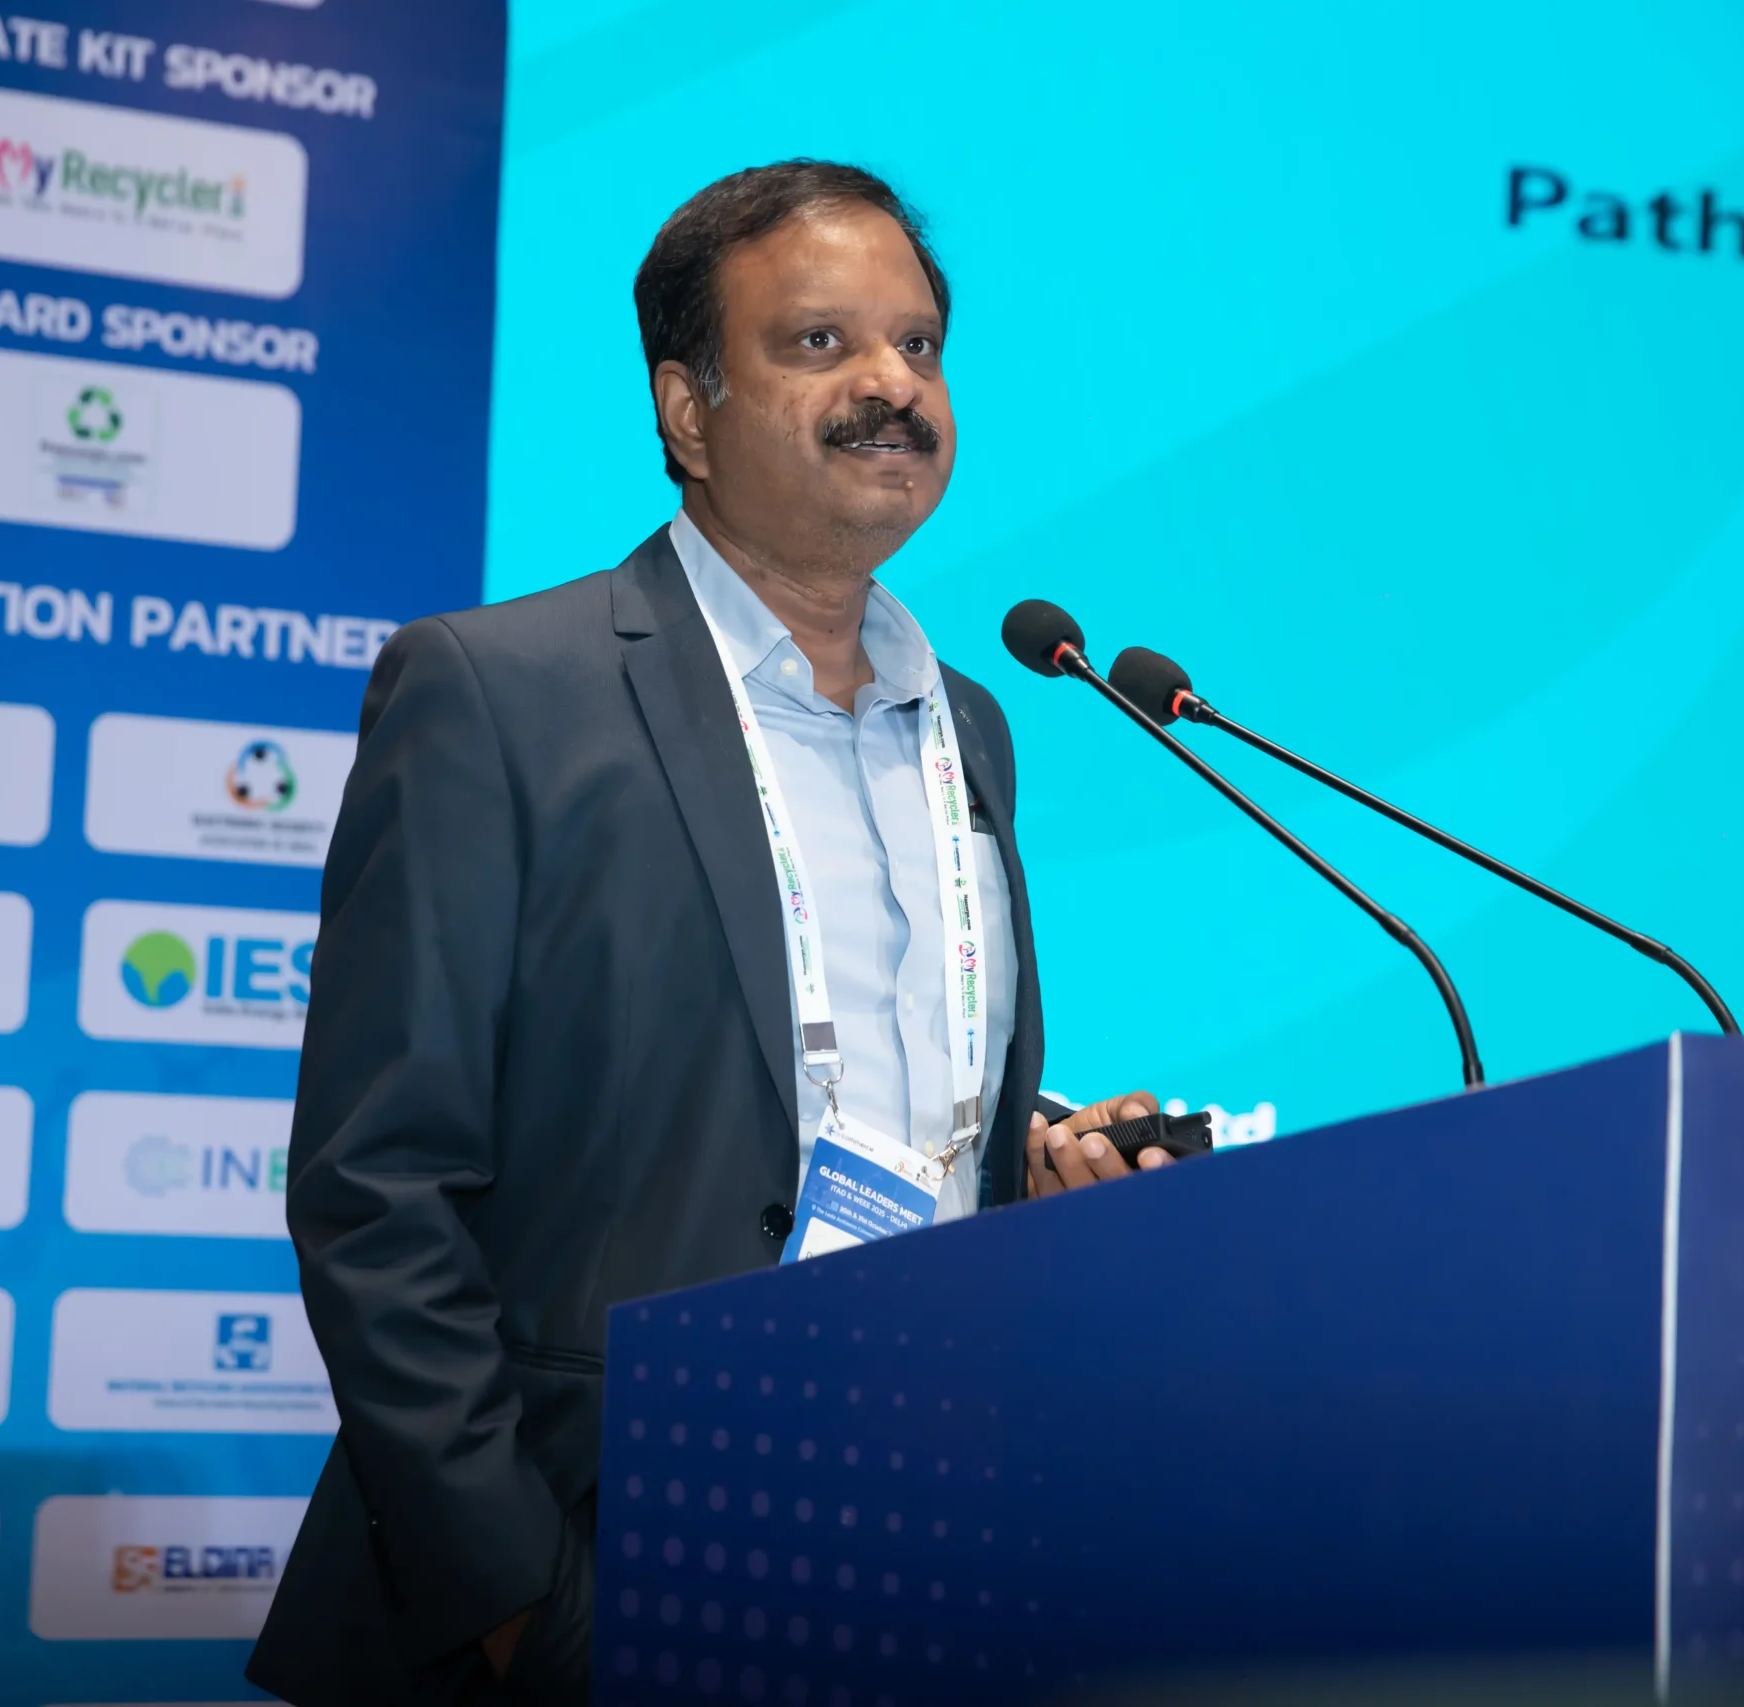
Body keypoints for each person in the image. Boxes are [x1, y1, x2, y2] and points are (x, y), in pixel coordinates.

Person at [245, 159, 1172, 1707]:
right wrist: (532, 1610)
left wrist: (1032, 1174)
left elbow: (848, 1120)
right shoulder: (499, 691)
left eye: (919, 345)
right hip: (599, 1558)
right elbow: (376, 1188)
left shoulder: (974, 726)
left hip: (921, 1542)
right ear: (688, 409)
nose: (891, 384)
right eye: (819, 343)